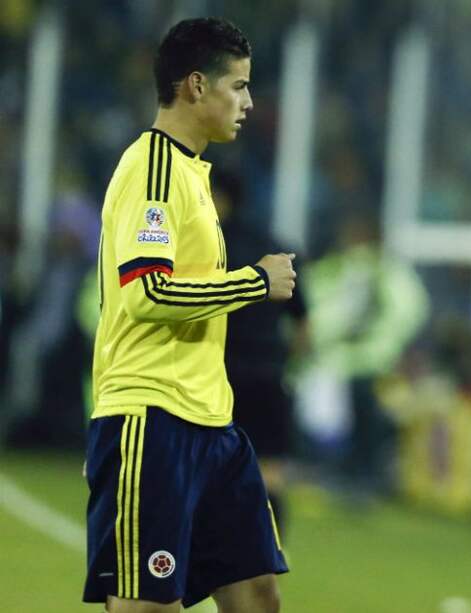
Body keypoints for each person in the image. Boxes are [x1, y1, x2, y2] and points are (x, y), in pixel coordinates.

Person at [84, 18, 295, 613]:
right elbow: (147, 292)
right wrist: (253, 281)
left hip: (212, 420)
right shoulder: (152, 169)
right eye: (240, 86)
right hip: (151, 417)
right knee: (146, 605)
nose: (249, 102)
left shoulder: (193, 172)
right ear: (196, 86)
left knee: (258, 592)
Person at [213, 169, 309, 539]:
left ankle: (212, 544)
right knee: (269, 467)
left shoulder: (209, 244)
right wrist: (287, 363)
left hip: (219, 372)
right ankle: (272, 547)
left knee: (209, 464)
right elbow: (303, 323)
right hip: (269, 373)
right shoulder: (275, 247)